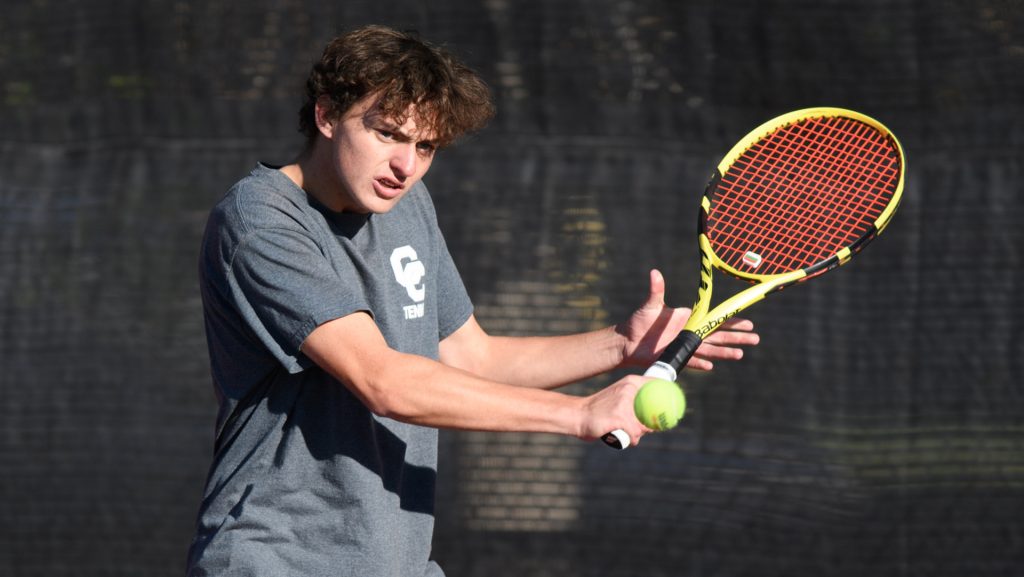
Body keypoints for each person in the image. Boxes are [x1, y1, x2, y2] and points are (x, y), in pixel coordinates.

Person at [186, 25, 759, 576]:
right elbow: (385, 382)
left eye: (426, 146)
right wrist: (581, 414)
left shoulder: (405, 204)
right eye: (387, 133)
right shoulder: (261, 223)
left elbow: (470, 358)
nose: (405, 165)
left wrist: (619, 345)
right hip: (278, 561)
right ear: (327, 116)